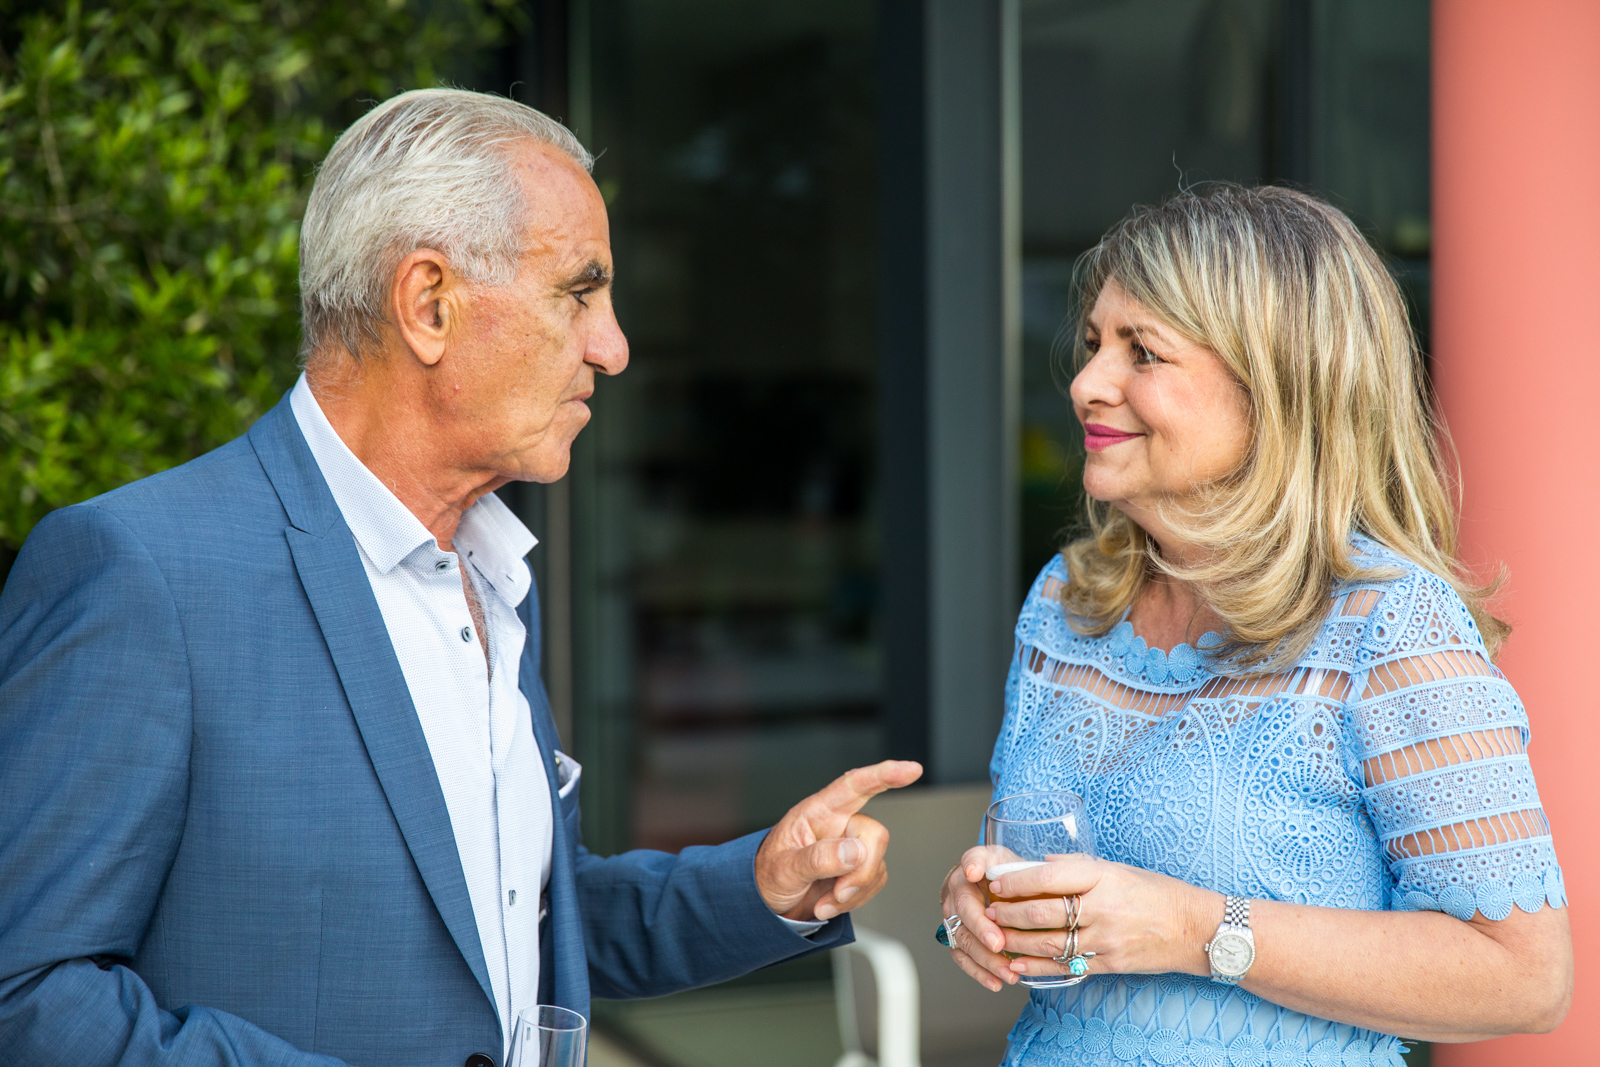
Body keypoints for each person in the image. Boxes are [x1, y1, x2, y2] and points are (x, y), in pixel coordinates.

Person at [0, 88, 921, 1067]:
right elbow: (26, 995)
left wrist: (763, 885)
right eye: (579, 291)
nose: (612, 347)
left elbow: (516, 914)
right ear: (429, 304)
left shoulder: (490, 574)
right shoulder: (142, 571)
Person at [938, 185, 1572, 1066]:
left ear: (1275, 384)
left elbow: (1526, 978)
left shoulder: (1389, 623)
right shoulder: (1065, 602)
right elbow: (1038, 870)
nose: (1086, 384)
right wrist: (976, 911)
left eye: (1142, 351)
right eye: (1093, 343)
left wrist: (1195, 929)